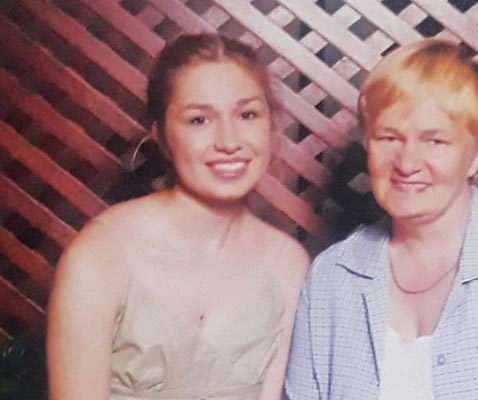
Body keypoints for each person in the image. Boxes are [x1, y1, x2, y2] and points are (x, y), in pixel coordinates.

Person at [285, 38, 478, 399]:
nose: (407, 163)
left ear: (477, 156)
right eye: (389, 137)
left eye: (435, 141)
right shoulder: (331, 277)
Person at [47, 33, 309, 400]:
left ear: (270, 125)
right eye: (199, 119)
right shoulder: (102, 254)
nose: (229, 141)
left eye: (247, 114)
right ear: (162, 136)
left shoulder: (287, 265)